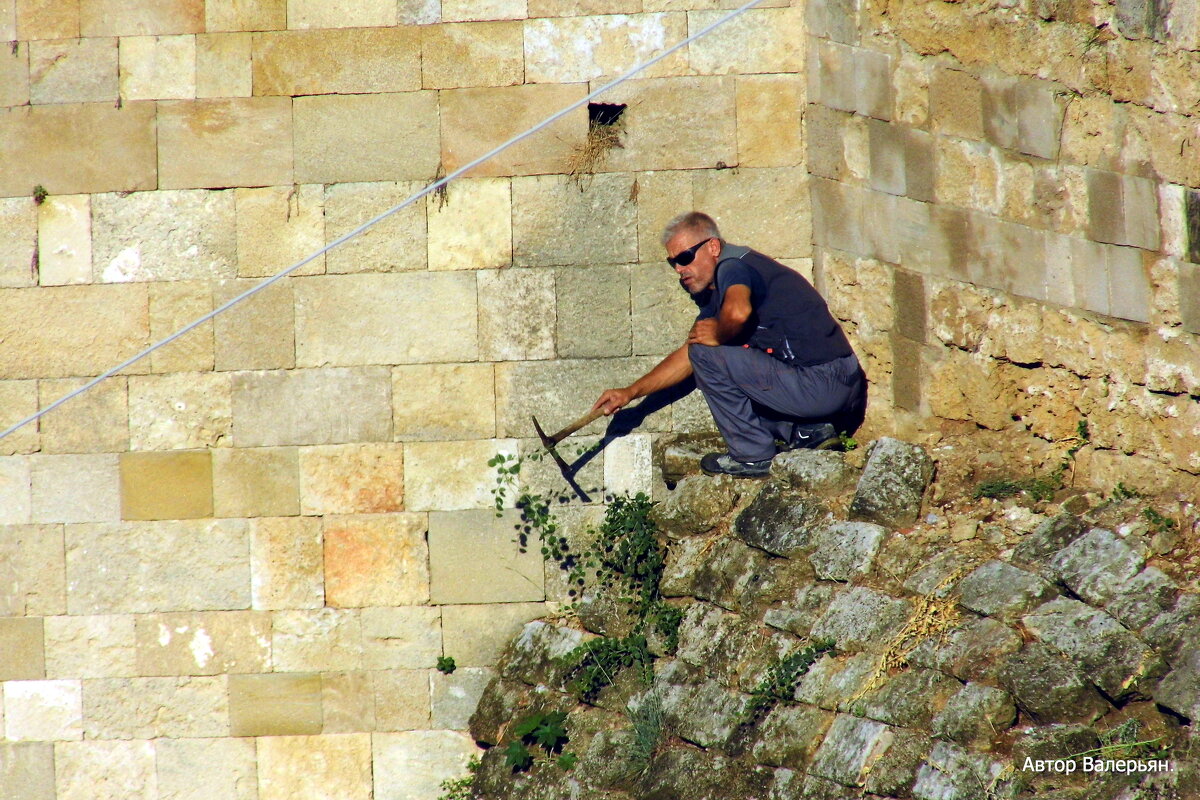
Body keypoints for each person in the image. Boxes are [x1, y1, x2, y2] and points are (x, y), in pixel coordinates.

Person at [592, 211, 867, 478]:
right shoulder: (720, 287)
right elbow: (688, 355)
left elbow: (734, 316)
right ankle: (808, 432)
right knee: (712, 354)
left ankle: (752, 456)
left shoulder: (733, 267)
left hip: (822, 383)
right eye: (672, 262)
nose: (679, 269)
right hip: (842, 384)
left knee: (707, 352)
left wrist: (720, 334)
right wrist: (630, 393)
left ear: (712, 246)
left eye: (685, 257)